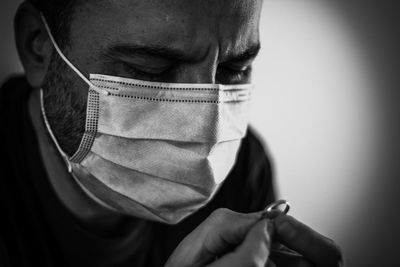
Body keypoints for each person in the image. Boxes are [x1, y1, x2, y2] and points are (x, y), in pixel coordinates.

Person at [0, 0, 343, 266]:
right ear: (38, 47)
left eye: (234, 68)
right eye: (151, 69)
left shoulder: (244, 166)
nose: (205, 130)